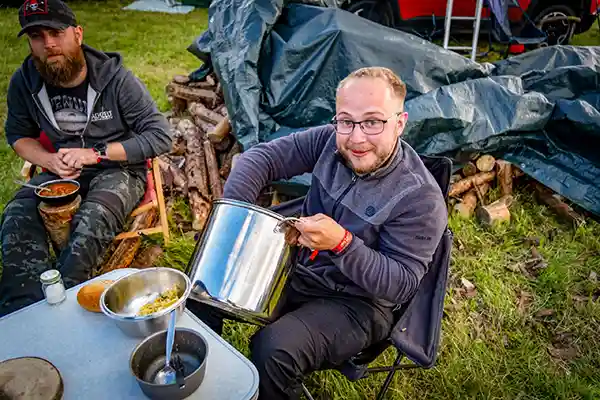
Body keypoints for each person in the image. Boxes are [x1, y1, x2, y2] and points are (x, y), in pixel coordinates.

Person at [187, 66, 448, 399]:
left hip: (357, 303)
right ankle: (206, 386)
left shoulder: (420, 198)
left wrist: (342, 244)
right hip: (296, 268)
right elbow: (259, 158)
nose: (356, 138)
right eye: (346, 120)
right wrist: (232, 223)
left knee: (273, 351)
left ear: (400, 122)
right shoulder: (329, 141)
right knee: (199, 289)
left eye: (372, 122)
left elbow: (401, 284)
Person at [0, 0, 172, 317]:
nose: (48, 44)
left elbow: (161, 135)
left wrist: (95, 154)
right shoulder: (24, 82)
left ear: (77, 34)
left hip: (117, 169)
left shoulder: (116, 79)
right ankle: (19, 314)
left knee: (90, 224)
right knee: (17, 217)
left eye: (56, 32)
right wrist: (49, 161)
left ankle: (65, 306)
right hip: (60, 168)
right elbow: (18, 135)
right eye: (37, 36)